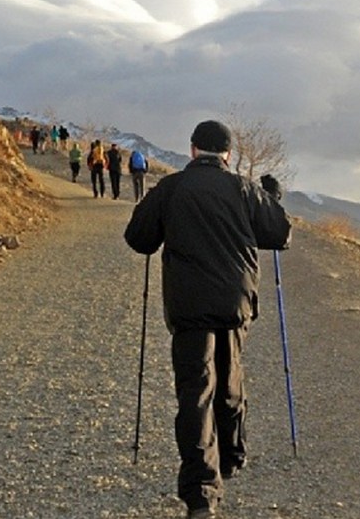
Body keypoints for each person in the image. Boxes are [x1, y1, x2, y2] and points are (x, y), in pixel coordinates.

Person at [124, 120, 291, 519]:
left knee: (195, 393)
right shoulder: (244, 190)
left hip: (188, 307)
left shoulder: (172, 188)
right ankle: (231, 456)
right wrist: (273, 197)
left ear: (193, 149)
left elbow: (138, 238)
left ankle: (201, 492)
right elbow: (280, 234)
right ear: (228, 154)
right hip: (235, 303)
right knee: (230, 381)